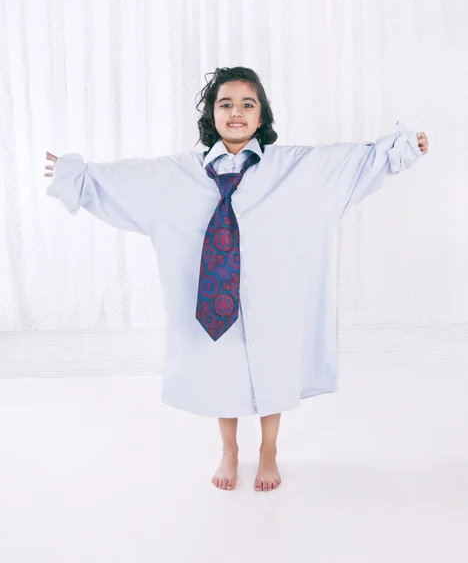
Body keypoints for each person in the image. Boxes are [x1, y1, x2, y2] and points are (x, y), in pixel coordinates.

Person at [45, 66, 429, 492]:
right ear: (212, 115)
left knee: (274, 369)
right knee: (221, 370)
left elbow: (346, 162)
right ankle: (229, 449)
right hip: (216, 298)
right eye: (225, 104)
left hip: (271, 295)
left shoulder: (293, 166)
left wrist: (400, 149)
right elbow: (129, 180)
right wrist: (76, 176)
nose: (236, 113)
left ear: (261, 117)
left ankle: (268, 449)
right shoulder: (179, 173)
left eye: (248, 104)